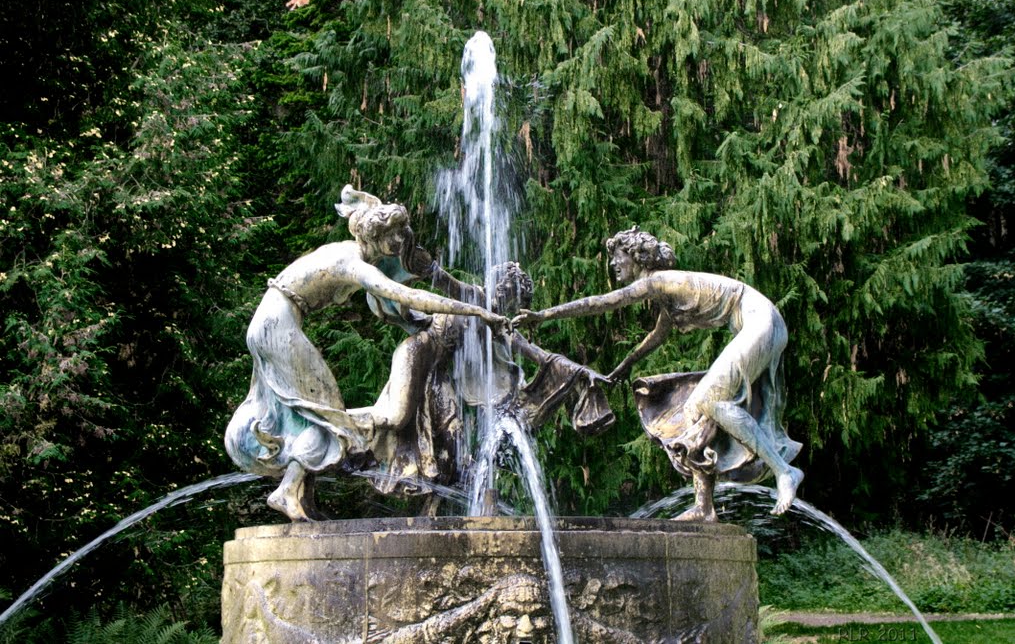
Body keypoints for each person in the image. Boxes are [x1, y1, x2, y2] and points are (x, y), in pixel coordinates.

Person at [224, 185, 508, 522]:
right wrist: (475, 312)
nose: (399, 245)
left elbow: (401, 300)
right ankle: (287, 491)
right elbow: (405, 294)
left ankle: (300, 493)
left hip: (269, 322)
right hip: (278, 326)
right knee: (330, 417)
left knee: (320, 414)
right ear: (377, 236)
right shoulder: (352, 262)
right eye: (395, 238)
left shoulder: (346, 251)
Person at [514, 227, 802, 518]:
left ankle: (784, 470)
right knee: (694, 412)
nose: (613, 264)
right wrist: (621, 369)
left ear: (637, 257)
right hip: (763, 323)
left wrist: (544, 315)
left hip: (760, 321)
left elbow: (604, 302)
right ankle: (705, 508)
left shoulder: (660, 280)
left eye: (618, 257)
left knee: (710, 401)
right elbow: (655, 337)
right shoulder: (667, 293)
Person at [352, 260, 612, 506]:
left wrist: (582, 372)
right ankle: (340, 428)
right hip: (417, 354)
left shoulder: (499, 325)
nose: (509, 306)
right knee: (397, 417)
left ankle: (435, 508)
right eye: (510, 297)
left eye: (514, 302)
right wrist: (423, 263)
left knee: (453, 442)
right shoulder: (475, 298)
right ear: (500, 287)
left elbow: (540, 355)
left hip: (437, 376)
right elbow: (444, 281)